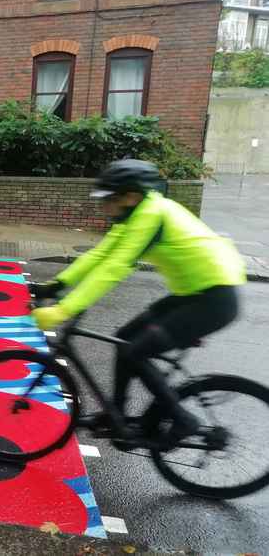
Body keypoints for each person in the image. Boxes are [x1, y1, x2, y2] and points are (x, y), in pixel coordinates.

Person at [30, 159, 246, 442]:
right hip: (193, 293)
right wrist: (56, 286)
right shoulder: (133, 215)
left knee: (135, 350)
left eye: (109, 198)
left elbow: (115, 267)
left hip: (215, 299)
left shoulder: (152, 214)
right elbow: (100, 255)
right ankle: (115, 415)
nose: (103, 205)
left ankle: (184, 420)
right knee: (124, 339)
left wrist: (65, 309)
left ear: (130, 195)